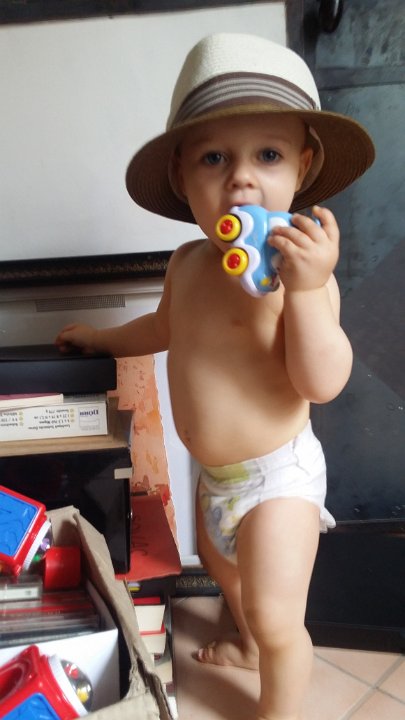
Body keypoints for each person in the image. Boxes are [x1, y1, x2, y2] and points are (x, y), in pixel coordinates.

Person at [56, 33, 374, 720]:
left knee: (275, 611)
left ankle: (276, 697)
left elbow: (321, 381)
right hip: (216, 479)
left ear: (302, 166)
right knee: (228, 577)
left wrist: (306, 291)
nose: (240, 180)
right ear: (181, 177)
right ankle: (250, 646)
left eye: (267, 155)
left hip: (277, 477)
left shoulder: (302, 276)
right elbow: (162, 329)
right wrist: (102, 339)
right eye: (213, 158)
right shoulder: (189, 263)